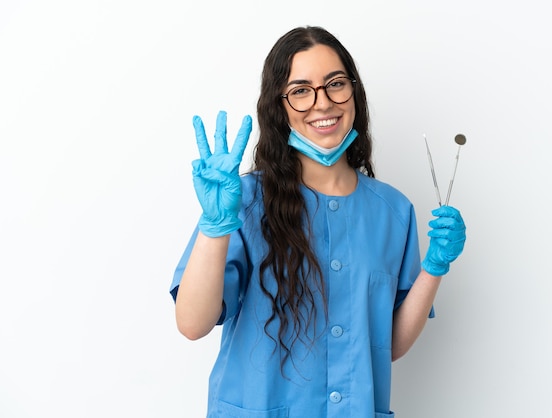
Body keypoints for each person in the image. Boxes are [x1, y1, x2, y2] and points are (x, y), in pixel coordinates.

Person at [170, 26, 466, 418]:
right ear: (280, 106)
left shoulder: (392, 211)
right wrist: (214, 227)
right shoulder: (241, 201)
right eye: (300, 90)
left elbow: (387, 345)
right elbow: (192, 324)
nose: (322, 103)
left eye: (335, 84)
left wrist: (434, 268)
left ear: (353, 92)